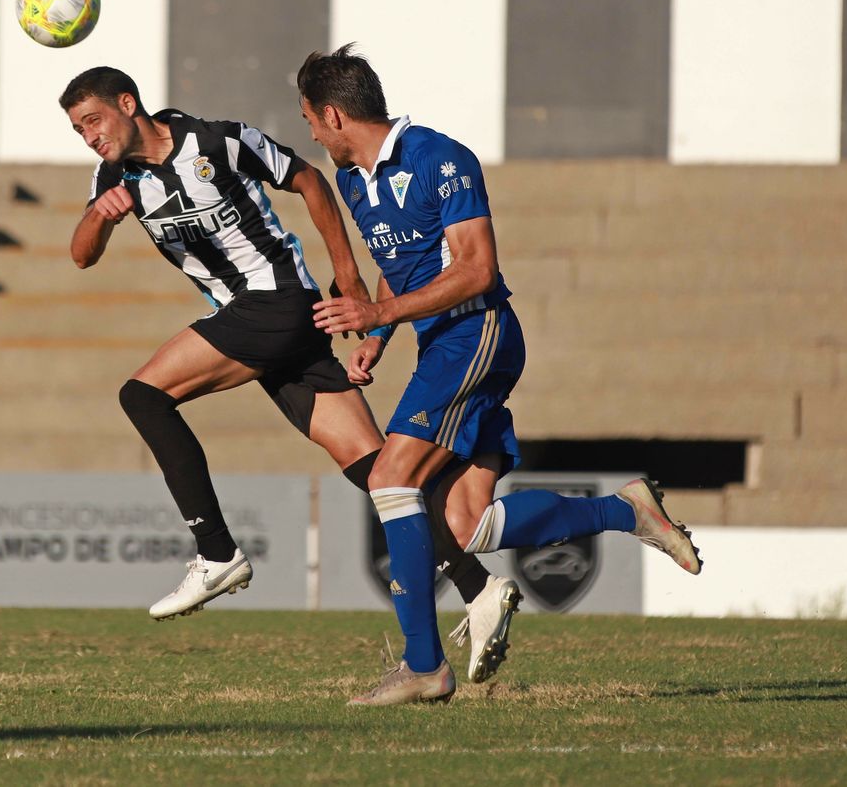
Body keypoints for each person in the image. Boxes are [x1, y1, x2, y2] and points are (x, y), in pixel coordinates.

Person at [60, 67, 518, 667]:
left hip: (275, 303)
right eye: (77, 129)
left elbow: (309, 181)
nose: (89, 137)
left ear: (128, 103)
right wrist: (101, 214)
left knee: (143, 396)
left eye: (94, 121)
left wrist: (348, 274)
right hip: (266, 327)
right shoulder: (112, 176)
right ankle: (478, 588)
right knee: (377, 471)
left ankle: (216, 551)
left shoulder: (217, 141)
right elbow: (81, 256)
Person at [298, 45, 704, 707]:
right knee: (461, 524)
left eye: (311, 119)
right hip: (443, 344)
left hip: (478, 331)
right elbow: (399, 263)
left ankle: (424, 665)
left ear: (335, 115)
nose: (310, 132)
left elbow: (477, 268)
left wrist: (380, 310)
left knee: (389, 478)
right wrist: (377, 333)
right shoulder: (352, 181)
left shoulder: (440, 157)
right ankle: (625, 511)